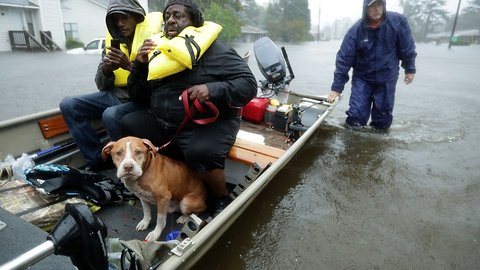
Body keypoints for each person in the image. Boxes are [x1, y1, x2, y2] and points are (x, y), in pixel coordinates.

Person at [121, 0, 258, 216]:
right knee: (130, 122)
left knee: (201, 151)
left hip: (207, 123)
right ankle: (151, 181)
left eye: (178, 16)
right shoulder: (159, 51)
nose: (170, 20)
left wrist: (211, 88)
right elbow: (138, 97)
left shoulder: (216, 51)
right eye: (167, 17)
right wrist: (138, 65)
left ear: (194, 22)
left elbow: (249, 85)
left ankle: (220, 196)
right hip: (165, 121)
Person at [60, 0, 159, 171]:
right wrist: (106, 70)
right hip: (115, 95)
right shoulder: (112, 46)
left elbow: (157, 85)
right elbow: (101, 86)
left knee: (110, 114)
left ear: (136, 17)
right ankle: (97, 161)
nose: (120, 24)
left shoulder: (153, 41)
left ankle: (129, 167)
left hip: (141, 99)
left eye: (124, 18)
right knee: (68, 104)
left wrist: (130, 66)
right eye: (115, 20)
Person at [327, 0, 417, 130]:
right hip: (362, 78)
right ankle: (354, 144)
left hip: (387, 77)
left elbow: (407, 46)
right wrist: (337, 88)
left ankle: (378, 145)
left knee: (382, 120)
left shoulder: (398, 22)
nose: (377, 9)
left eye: (379, 5)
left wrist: (410, 68)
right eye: (373, 6)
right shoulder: (356, 30)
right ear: (365, 8)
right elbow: (344, 58)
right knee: (355, 117)